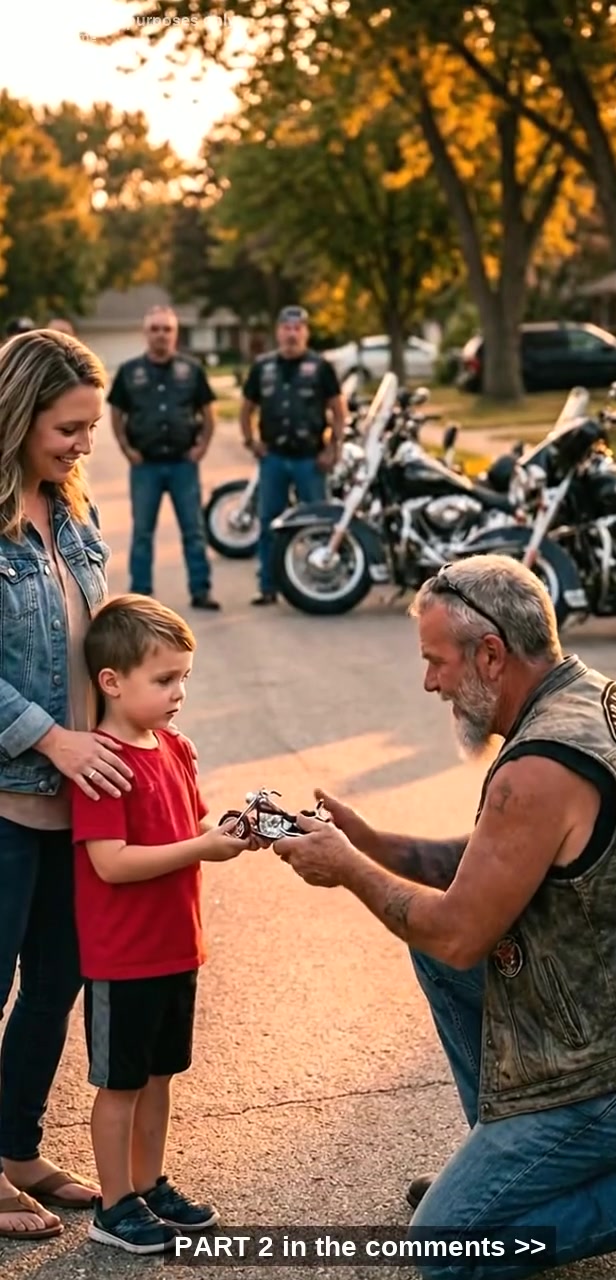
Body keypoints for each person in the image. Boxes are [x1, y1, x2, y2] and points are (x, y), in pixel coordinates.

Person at [273, 554, 616, 1280]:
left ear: (490, 654)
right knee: (432, 947)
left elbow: (460, 930)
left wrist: (349, 870)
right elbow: (497, 863)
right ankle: (514, 1174)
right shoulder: (598, 700)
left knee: (446, 1252)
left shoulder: (539, 768)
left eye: (436, 662)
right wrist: (375, 844)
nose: (430, 683)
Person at [70, 594, 263, 1253]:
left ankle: (150, 1185)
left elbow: (193, 829)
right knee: (119, 1086)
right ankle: (113, 1203)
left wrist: (232, 834)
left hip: (178, 949)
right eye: (164, 680)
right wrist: (200, 848)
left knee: (160, 1078)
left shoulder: (174, 746)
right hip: (123, 959)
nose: (179, 692)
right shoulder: (100, 763)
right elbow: (112, 864)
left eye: (184, 677)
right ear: (112, 683)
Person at [0, 329, 135, 1241]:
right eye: (69, 427)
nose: (85, 444)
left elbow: (100, 645)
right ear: (18, 417)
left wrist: (144, 705)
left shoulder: (72, 514)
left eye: (91, 429)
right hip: (6, 799)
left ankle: (14, 1149)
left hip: (77, 807)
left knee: (57, 984)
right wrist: (51, 738)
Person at [106, 306, 220, 612]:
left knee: (194, 531)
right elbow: (116, 412)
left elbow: (209, 412)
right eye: (155, 329)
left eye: (167, 329)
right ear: (146, 333)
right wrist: (125, 448)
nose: (161, 335)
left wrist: (202, 446)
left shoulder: (191, 371)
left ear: (176, 333)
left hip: (184, 464)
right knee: (143, 532)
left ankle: (201, 590)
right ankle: (140, 595)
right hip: (146, 466)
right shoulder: (130, 372)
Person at [240, 305, 345, 606]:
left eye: (298, 328)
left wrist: (333, 447)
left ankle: (317, 581)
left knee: (317, 521)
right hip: (273, 458)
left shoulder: (320, 367)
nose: (292, 333)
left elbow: (338, 410)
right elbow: (247, 408)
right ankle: (268, 586)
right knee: (269, 522)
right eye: (286, 328)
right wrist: (251, 441)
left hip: (310, 460)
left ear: (306, 332)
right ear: (278, 332)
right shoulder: (263, 367)